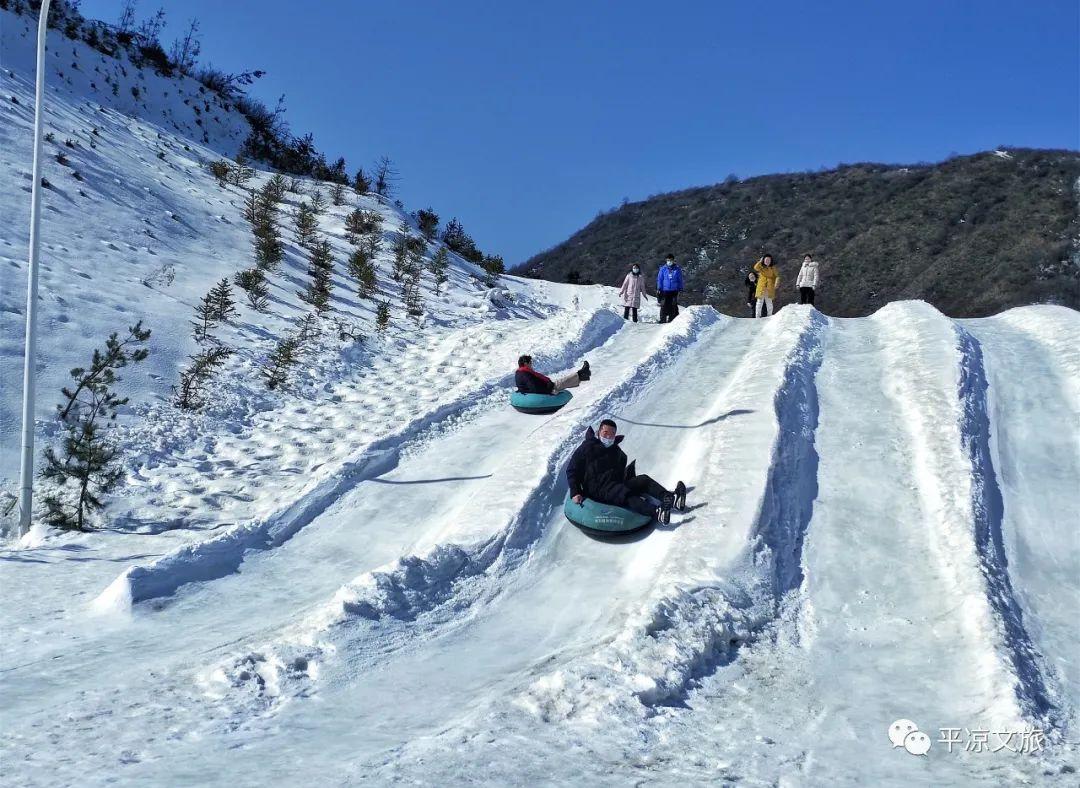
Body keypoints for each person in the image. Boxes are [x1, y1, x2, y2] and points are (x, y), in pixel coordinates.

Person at [566, 419, 687, 523]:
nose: (608, 437)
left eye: (612, 434)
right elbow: (572, 470)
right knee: (623, 492)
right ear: (599, 432)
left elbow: (619, 471)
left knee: (643, 479)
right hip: (596, 489)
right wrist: (575, 492)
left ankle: (672, 498)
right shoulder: (587, 448)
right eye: (605, 433)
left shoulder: (617, 452)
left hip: (613, 484)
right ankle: (657, 512)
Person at [516, 354, 591, 394]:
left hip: (543, 388)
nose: (531, 365)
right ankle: (581, 374)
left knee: (560, 382)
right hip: (544, 390)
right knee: (562, 382)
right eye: (530, 363)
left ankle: (581, 375)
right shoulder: (525, 374)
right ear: (525, 363)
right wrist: (549, 389)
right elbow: (534, 388)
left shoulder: (520, 372)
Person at [656, 255, 684, 324]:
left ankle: (671, 319)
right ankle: (663, 319)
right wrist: (659, 288)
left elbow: (680, 279)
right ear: (666, 260)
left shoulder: (677, 269)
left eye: (671, 260)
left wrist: (680, 288)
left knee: (673, 305)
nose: (669, 262)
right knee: (664, 305)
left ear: (673, 260)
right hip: (665, 290)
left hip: (674, 290)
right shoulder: (663, 269)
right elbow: (660, 279)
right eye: (668, 260)